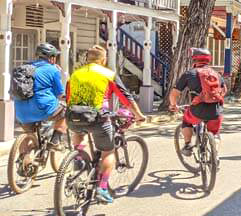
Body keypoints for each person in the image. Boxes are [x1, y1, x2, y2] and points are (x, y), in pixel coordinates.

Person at [66, 45, 146, 204]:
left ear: (87, 59)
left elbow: (68, 98)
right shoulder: (108, 74)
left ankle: (79, 158)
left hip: (73, 116)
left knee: (79, 133)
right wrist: (139, 115)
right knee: (108, 151)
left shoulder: (75, 74)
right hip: (97, 118)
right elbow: (125, 97)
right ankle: (102, 188)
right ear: (103, 60)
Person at [168, 47, 227, 156]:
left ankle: (188, 145)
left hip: (197, 111)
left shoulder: (189, 74)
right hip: (216, 111)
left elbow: (174, 93)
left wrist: (173, 105)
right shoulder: (217, 74)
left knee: (186, 121)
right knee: (215, 134)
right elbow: (224, 91)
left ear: (194, 60)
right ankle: (215, 156)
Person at [13, 43, 67, 148]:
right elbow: (60, 95)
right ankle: (55, 141)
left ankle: (23, 160)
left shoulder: (24, 68)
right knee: (65, 112)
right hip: (43, 109)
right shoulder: (53, 70)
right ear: (51, 58)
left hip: (21, 112)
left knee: (28, 136)